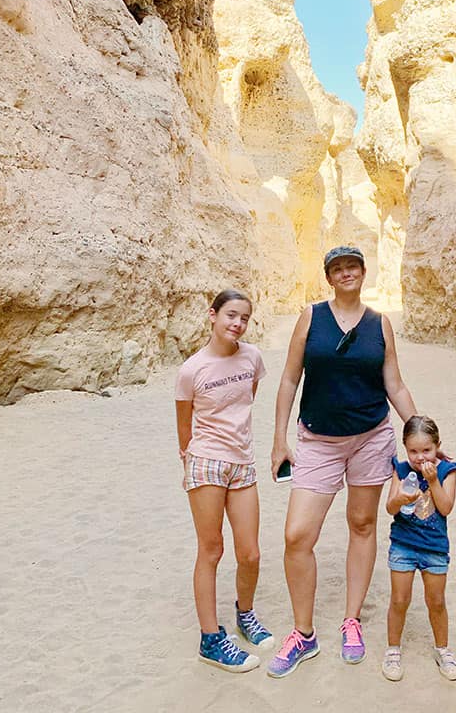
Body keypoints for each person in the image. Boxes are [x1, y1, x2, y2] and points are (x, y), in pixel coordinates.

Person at [267, 245, 418, 679]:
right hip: (317, 439)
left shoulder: (380, 324)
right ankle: (303, 632)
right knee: (297, 535)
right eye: (338, 268)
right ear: (329, 277)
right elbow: (290, 379)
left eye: (353, 266)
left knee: (363, 524)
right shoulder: (310, 318)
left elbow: (394, 382)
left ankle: (351, 620)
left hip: (371, 436)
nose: (346, 273)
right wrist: (280, 440)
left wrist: (420, 431)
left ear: (363, 273)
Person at [175, 288, 272, 673]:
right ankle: (210, 639)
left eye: (244, 318)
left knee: (250, 553)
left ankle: (244, 615)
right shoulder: (191, 370)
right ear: (212, 315)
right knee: (211, 550)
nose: (238, 323)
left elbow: (245, 400)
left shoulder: (253, 358)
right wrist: (194, 461)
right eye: (231, 315)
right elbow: (184, 429)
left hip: (242, 463)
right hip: (206, 464)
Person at [382, 415, 456, 682]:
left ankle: (443, 649)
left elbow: (446, 507)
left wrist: (434, 482)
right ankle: (393, 650)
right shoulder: (402, 470)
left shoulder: (447, 470)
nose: (420, 457)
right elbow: (390, 508)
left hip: (435, 548)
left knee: (436, 602)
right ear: (405, 448)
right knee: (399, 600)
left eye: (426, 450)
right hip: (403, 545)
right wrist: (400, 498)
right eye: (413, 451)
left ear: (438, 445)